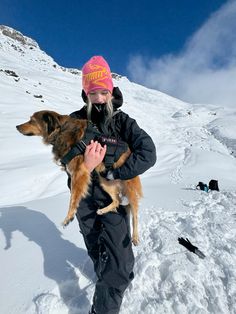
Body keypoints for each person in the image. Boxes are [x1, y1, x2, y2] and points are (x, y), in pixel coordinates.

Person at [69, 56, 156, 314]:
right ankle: (110, 282)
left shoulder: (123, 122)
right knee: (98, 254)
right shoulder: (75, 122)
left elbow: (148, 152)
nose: (98, 98)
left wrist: (111, 172)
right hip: (84, 201)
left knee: (119, 265)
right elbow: (64, 158)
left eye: (103, 91)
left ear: (111, 91)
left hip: (113, 203)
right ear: (86, 92)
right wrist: (84, 163)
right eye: (93, 92)